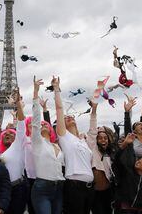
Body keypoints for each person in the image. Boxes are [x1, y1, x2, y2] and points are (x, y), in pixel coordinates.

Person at [54, 76, 94, 214]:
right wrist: (57, 90)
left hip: (89, 187)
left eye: (71, 116)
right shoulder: (64, 137)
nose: (69, 116)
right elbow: (59, 109)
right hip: (74, 186)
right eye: (65, 118)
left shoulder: (83, 140)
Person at [30, 76, 65, 214]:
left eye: (46, 124)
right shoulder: (37, 142)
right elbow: (36, 121)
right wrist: (35, 93)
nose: (43, 125)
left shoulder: (57, 146)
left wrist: (57, 89)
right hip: (42, 187)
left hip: (59, 187)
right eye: (42, 125)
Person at [0, 89, 26, 214]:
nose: (7, 133)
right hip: (2, 189)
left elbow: (21, 125)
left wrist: (18, 104)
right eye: (5, 134)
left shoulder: (17, 146)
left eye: (11, 133)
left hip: (17, 188)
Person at [86, 99, 115, 214]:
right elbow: (93, 128)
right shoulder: (93, 149)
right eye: (100, 138)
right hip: (94, 192)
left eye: (105, 138)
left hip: (108, 191)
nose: (103, 140)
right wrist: (94, 109)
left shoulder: (110, 154)